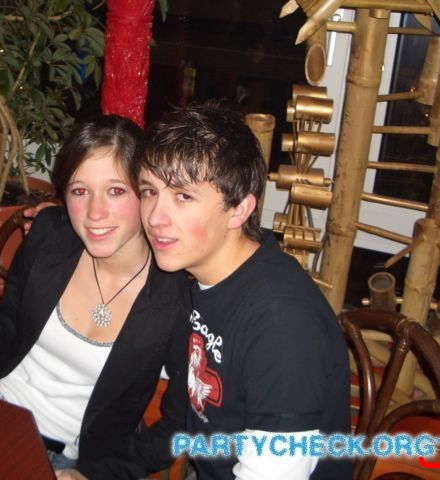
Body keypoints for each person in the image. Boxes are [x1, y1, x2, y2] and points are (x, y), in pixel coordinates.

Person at [0, 114, 190, 479]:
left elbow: (182, 424)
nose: (95, 213)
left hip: (69, 463)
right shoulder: (50, 235)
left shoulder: (176, 301)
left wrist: (97, 474)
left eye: (115, 191)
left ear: (146, 194)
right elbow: (9, 314)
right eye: (80, 191)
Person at [133, 100, 352, 479]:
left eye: (183, 196)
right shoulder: (201, 276)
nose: (154, 218)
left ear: (239, 209)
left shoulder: (282, 322)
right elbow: (184, 417)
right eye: (149, 191)